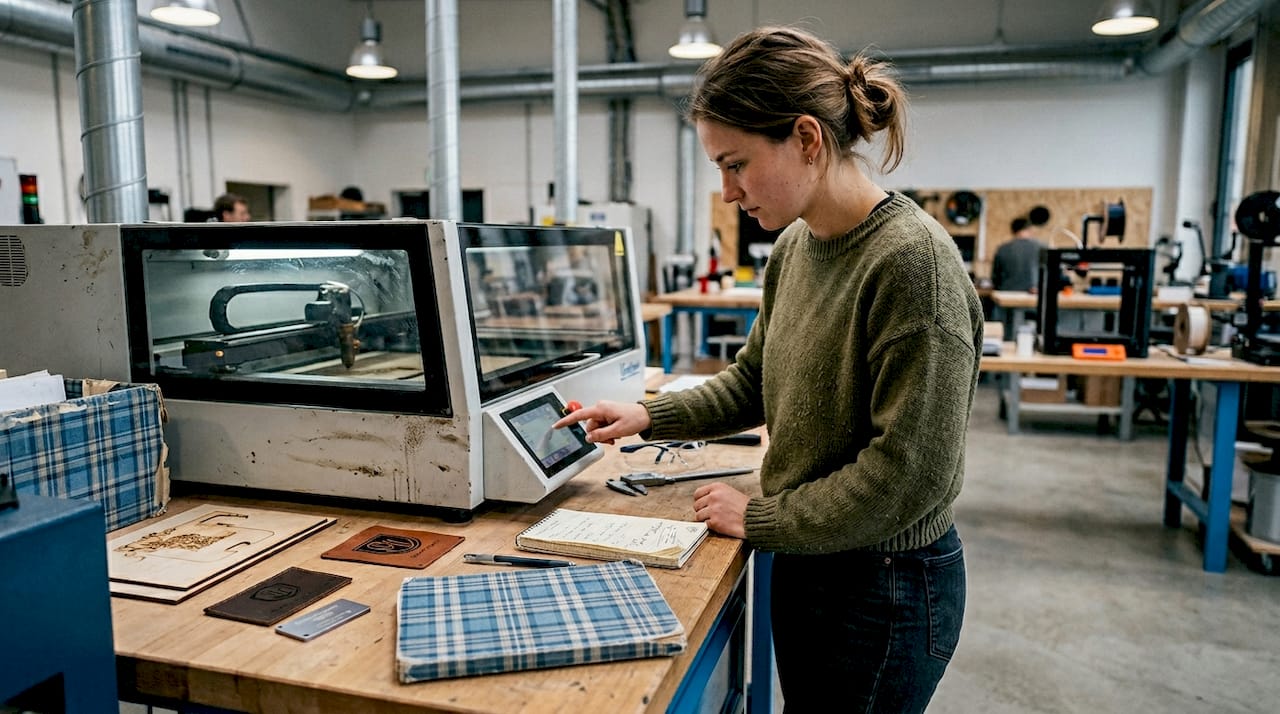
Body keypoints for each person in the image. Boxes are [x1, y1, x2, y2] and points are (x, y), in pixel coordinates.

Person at [553, 26, 981, 713]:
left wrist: (765, 517)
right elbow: (755, 379)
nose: (726, 192)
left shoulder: (912, 265)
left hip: (886, 586)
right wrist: (647, 413)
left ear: (807, 139)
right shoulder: (796, 248)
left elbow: (911, 474)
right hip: (817, 561)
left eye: (736, 164)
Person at [991, 216, 1046, 293]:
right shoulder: (1043, 247)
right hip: (1032, 296)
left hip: (1006, 296)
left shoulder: (1002, 249)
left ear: (1013, 231)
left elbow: (995, 278)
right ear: (1029, 230)